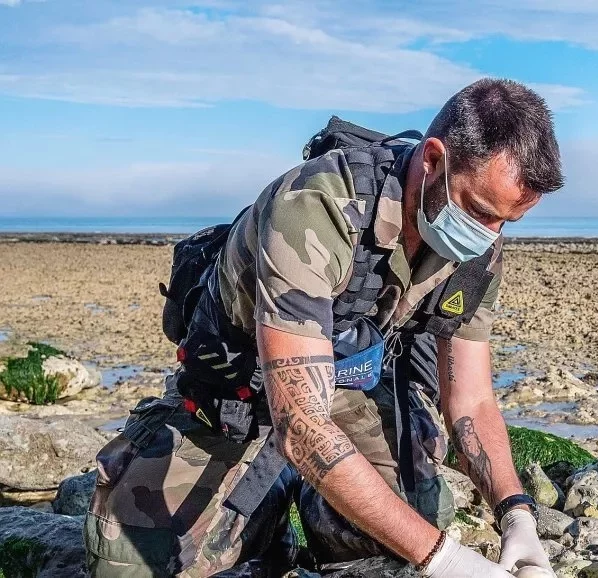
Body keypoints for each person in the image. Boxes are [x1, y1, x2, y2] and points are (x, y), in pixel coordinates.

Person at [84, 78, 564, 577]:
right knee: (131, 566)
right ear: (434, 159)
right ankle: (267, 507)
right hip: (235, 393)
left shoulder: (479, 244)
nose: (490, 235)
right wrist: (444, 558)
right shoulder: (316, 207)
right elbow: (301, 426)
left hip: (341, 384)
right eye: (481, 211)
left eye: (508, 221)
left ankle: (314, 510)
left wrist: (516, 513)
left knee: (411, 523)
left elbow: (472, 400)